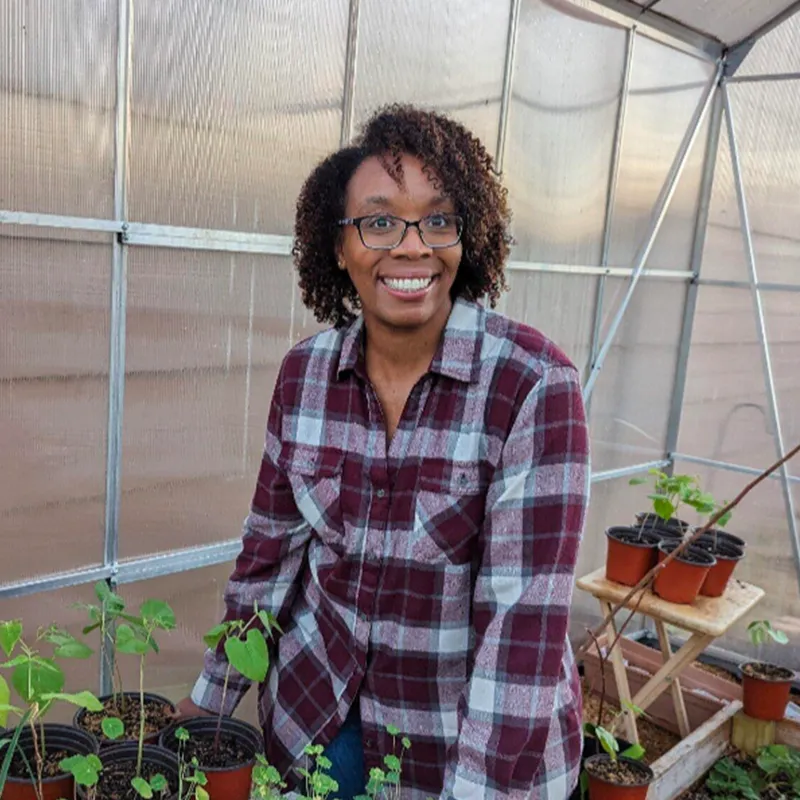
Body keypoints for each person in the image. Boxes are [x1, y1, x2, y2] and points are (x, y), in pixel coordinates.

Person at [176, 105, 590, 799]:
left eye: (437, 220)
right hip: (317, 719)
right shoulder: (304, 377)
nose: (410, 246)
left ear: (467, 236)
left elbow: (522, 628)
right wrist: (212, 698)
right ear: (339, 246)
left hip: (459, 744)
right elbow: (269, 556)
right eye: (378, 221)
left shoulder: (531, 386)